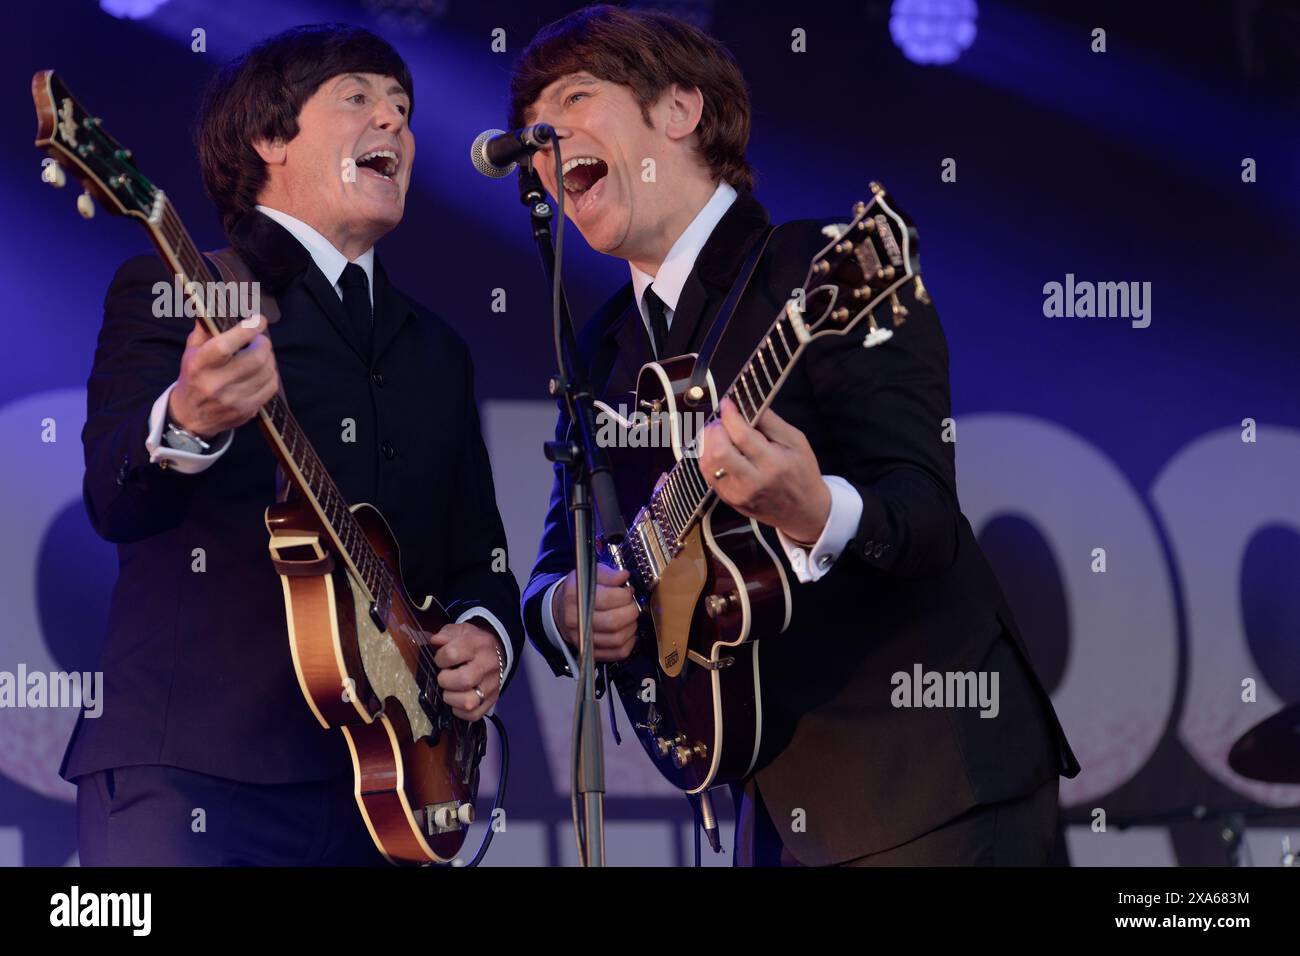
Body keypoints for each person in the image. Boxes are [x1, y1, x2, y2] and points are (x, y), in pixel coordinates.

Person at [514, 5, 1079, 867]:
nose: (543, 136)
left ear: (680, 110)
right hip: (769, 802)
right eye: (530, 127)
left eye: (575, 97)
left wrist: (815, 510)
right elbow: (564, 549)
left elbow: (924, 513)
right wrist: (565, 608)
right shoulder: (596, 348)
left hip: (925, 782)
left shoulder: (820, 267)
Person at [63, 23, 522, 866]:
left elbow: (480, 556)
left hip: (388, 791)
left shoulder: (439, 350)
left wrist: (488, 635)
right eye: (359, 99)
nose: (395, 124)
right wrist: (191, 417)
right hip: (194, 773)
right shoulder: (181, 288)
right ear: (269, 138)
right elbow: (112, 494)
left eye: (405, 109)